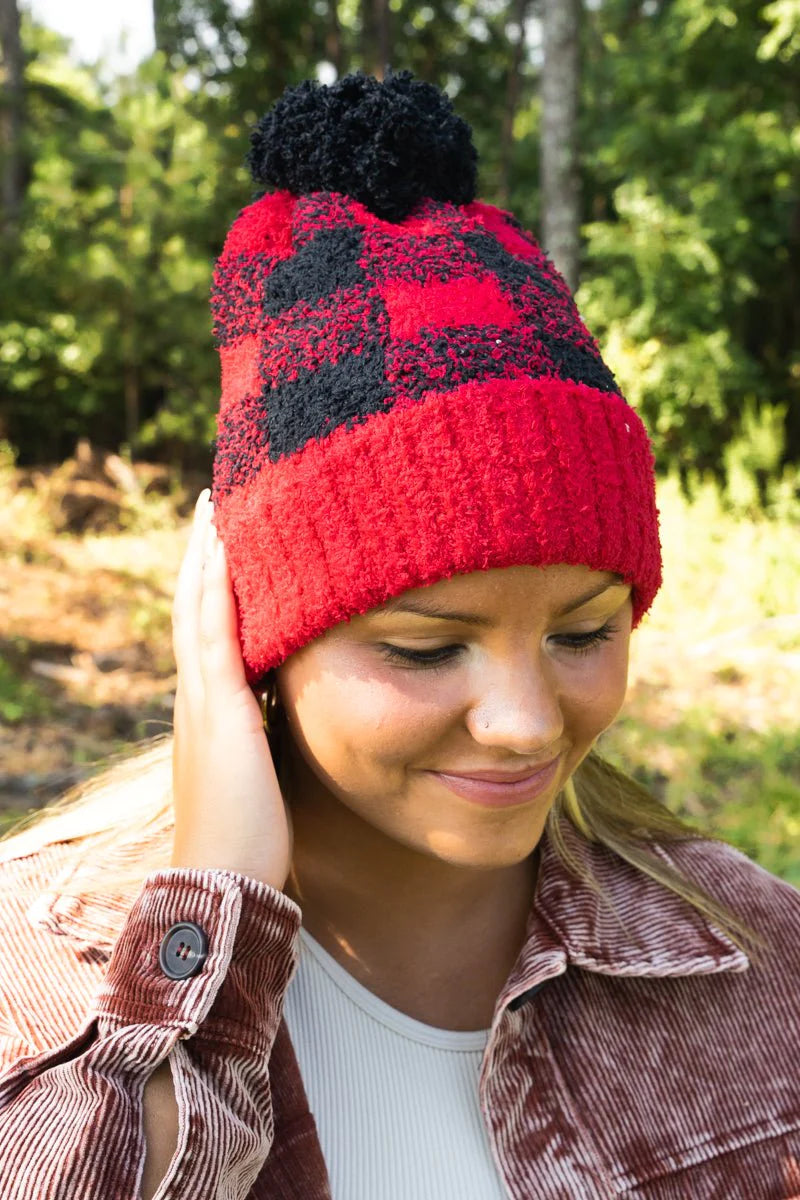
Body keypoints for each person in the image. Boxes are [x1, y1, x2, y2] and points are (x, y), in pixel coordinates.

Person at [0, 69, 798, 1200]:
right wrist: (212, 927)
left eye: (582, 630)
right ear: (250, 635)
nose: (524, 724)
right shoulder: (28, 977)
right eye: (426, 648)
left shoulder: (760, 964)